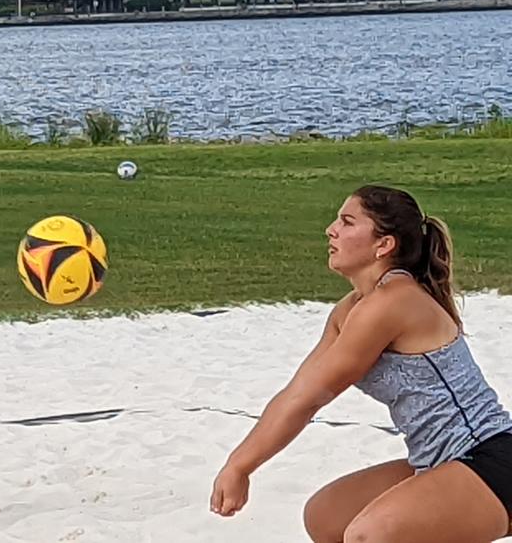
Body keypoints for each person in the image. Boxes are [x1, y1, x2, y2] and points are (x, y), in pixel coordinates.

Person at [210, 185, 512, 543]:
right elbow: (297, 393)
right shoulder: (350, 310)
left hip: (492, 461)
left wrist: (240, 466)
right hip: (437, 462)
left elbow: (312, 399)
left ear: (383, 245)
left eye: (347, 222)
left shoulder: (393, 301)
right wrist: (238, 464)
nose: (331, 229)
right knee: (327, 516)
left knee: (369, 535)